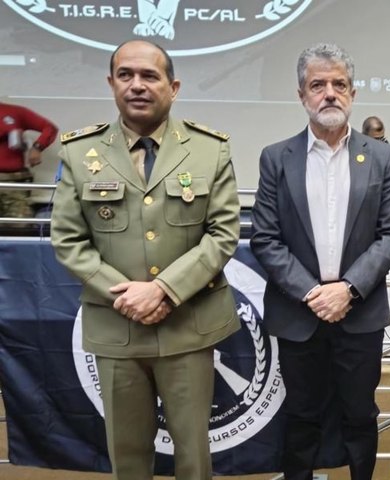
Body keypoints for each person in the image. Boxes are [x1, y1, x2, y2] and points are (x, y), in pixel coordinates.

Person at [50, 40, 241, 480]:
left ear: (173, 87)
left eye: (150, 76)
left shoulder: (209, 149)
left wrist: (163, 290)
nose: (137, 85)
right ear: (111, 83)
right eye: (126, 75)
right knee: (128, 455)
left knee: (194, 456)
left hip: (188, 326)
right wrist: (127, 296)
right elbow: (68, 240)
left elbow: (223, 234)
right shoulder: (80, 152)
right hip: (118, 329)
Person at [250, 43, 390, 480]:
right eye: (318, 85)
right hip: (299, 313)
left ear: (353, 92)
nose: (330, 93)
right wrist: (314, 294)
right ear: (302, 95)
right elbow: (265, 238)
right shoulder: (276, 158)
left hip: (360, 313)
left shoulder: (382, 157)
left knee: (360, 415)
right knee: (301, 417)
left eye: (339, 84)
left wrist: (348, 290)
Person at [0, 100, 58, 219]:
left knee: (19, 224)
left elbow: (50, 128)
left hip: (13, 183)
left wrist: (37, 147)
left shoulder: (15, 112)